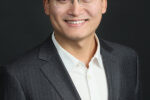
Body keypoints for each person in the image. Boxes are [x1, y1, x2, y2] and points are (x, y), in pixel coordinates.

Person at [1, 0, 142, 100]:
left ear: (103, 3)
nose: (75, 11)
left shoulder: (127, 59)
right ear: (46, 5)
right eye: (63, 0)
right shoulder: (18, 76)